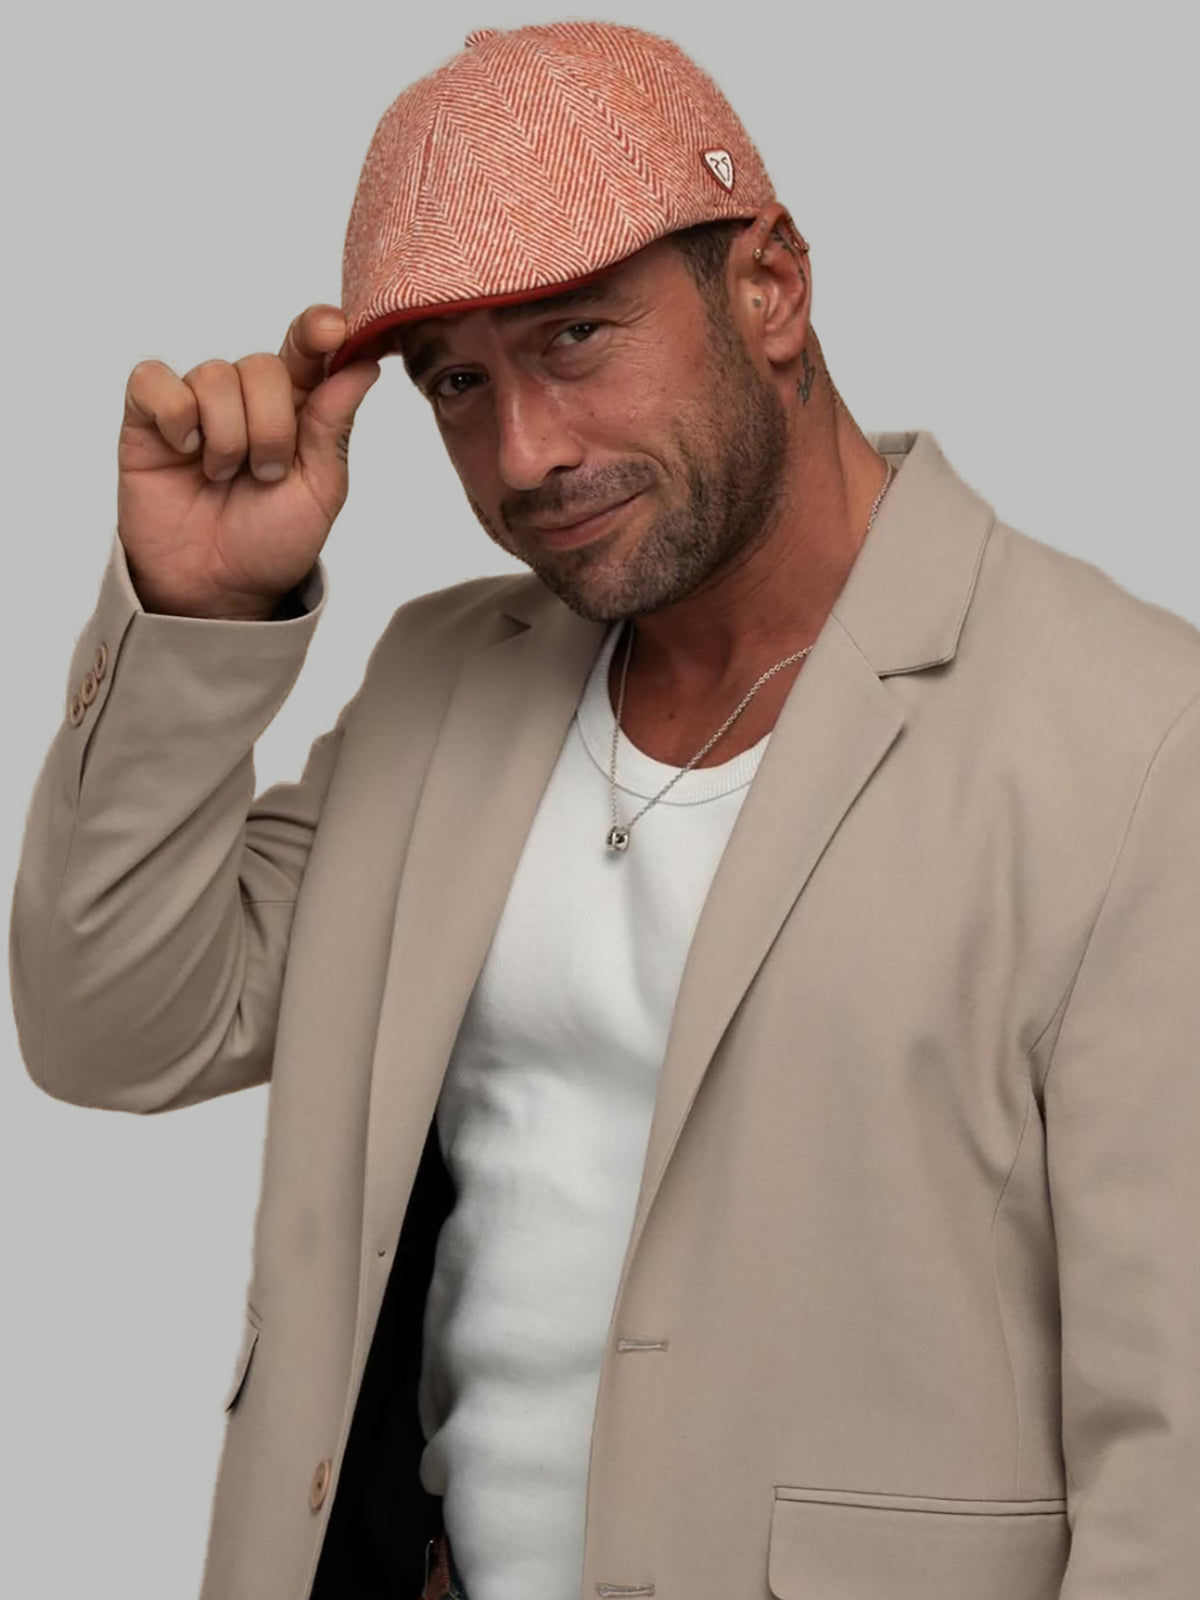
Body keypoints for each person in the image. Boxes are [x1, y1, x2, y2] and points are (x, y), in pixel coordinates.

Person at [9, 18, 1200, 1600]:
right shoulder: (442, 682)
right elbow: (114, 1031)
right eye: (457, 381)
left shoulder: (1134, 737)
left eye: (575, 336)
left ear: (770, 287)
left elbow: (1175, 1452)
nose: (524, 454)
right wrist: (199, 617)